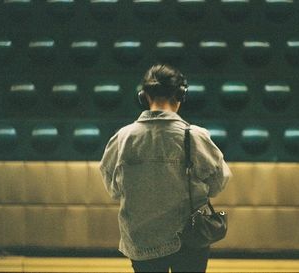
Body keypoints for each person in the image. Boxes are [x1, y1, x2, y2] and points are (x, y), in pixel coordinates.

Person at [99, 64, 232, 273]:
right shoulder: (194, 137)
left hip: (141, 241)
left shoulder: (122, 139)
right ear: (181, 95)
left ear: (143, 97)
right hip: (189, 239)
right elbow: (218, 184)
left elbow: (114, 190)